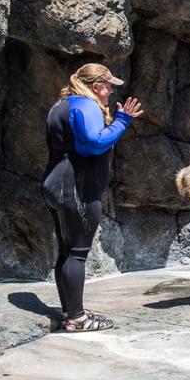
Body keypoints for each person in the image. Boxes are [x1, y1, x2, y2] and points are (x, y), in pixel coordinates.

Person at [41, 63, 143, 332]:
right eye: (109, 86)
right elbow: (93, 143)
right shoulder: (85, 105)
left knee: (66, 252)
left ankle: (71, 312)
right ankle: (76, 319)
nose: (111, 91)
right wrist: (123, 121)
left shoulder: (60, 105)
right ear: (96, 86)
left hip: (56, 184)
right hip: (76, 189)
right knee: (76, 253)